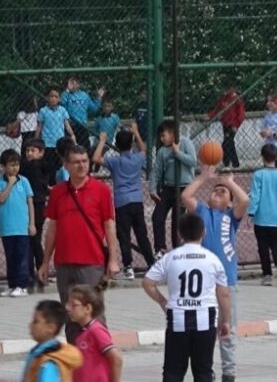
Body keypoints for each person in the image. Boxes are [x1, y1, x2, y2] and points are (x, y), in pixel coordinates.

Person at [142, 213, 231, 382]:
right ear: (204, 233)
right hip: (205, 319)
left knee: (173, 369)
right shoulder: (212, 259)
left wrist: (163, 301)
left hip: (178, 318)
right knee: (203, 370)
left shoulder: (172, 258)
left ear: (180, 234)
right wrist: (225, 320)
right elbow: (224, 293)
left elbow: (147, 282)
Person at [38, 145, 121, 341]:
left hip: (92, 263)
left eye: (85, 161)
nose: (82, 166)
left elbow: (109, 226)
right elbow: (52, 228)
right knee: (71, 315)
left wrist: (113, 260)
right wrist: (45, 261)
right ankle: (76, 362)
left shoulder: (101, 190)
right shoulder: (58, 192)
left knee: (94, 314)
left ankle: (99, 358)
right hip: (64, 263)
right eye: (76, 162)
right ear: (66, 165)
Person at [180, 168, 248, 382]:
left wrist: (230, 183)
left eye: (224, 192)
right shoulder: (202, 212)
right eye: (215, 191)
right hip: (205, 284)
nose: (219, 192)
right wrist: (203, 179)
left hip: (226, 282)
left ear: (230, 202)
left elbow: (245, 200)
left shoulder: (231, 218)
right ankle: (207, 375)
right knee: (205, 332)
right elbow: (185, 197)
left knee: (227, 331)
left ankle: (229, 374)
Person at [94, 125, 152, 280]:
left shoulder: (115, 161)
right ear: (131, 143)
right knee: (142, 234)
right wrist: (137, 133)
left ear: (117, 145)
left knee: (124, 235)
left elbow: (95, 159)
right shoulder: (138, 158)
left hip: (121, 202)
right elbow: (144, 150)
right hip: (137, 200)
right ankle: (152, 263)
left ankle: (128, 266)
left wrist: (102, 141)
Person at [150, 119, 197, 257]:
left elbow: (193, 161)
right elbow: (156, 171)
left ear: (171, 133)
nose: (161, 138)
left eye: (163, 135)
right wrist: (152, 189)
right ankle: (160, 249)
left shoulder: (186, 143)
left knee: (178, 221)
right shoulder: (162, 151)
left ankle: (178, 250)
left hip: (183, 188)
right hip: (168, 187)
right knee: (157, 216)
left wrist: (178, 153)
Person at [0, 149, 35, 298]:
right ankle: (12, 285)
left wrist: (32, 224)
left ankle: (22, 286)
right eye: (11, 165)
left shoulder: (24, 181)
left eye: (17, 165)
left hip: (22, 227)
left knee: (22, 257)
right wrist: (9, 184)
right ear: (4, 166)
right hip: (7, 227)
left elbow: (30, 202)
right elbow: (1, 199)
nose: (15, 168)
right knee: (10, 258)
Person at [248, 144, 277, 286]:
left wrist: (251, 212)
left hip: (261, 218)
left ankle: (267, 274)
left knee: (263, 246)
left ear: (262, 157)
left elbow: (255, 195)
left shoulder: (258, 175)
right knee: (276, 244)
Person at [20, 139, 50, 287]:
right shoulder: (43, 166)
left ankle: (38, 271)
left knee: (33, 240)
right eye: (27, 151)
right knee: (34, 239)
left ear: (41, 152)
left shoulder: (31, 166)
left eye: (33, 150)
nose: (29, 153)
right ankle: (36, 272)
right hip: (36, 203)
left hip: (36, 204)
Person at [38, 88, 75, 184]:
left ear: (59, 99)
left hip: (60, 143)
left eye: (56, 97)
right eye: (51, 96)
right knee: (49, 166)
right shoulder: (43, 111)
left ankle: (62, 184)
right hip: (48, 143)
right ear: (47, 98)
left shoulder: (62, 110)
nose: (53, 99)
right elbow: (40, 126)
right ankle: (51, 185)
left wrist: (72, 135)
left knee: (62, 165)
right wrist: (36, 139)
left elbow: (67, 124)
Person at [61, 76, 104, 151]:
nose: (72, 85)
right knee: (70, 148)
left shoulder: (84, 95)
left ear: (78, 84)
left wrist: (99, 97)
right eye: (70, 83)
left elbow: (94, 108)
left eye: (74, 83)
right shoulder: (66, 95)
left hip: (83, 125)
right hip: (70, 126)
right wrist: (67, 90)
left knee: (85, 148)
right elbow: (61, 104)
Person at [209, 81, 246, 168]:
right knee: (230, 143)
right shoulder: (224, 98)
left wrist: (236, 125)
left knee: (226, 142)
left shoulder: (237, 99)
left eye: (230, 88)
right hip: (225, 123)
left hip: (232, 124)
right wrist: (210, 116)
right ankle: (234, 163)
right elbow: (217, 108)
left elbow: (241, 115)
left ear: (233, 89)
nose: (227, 90)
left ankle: (227, 163)